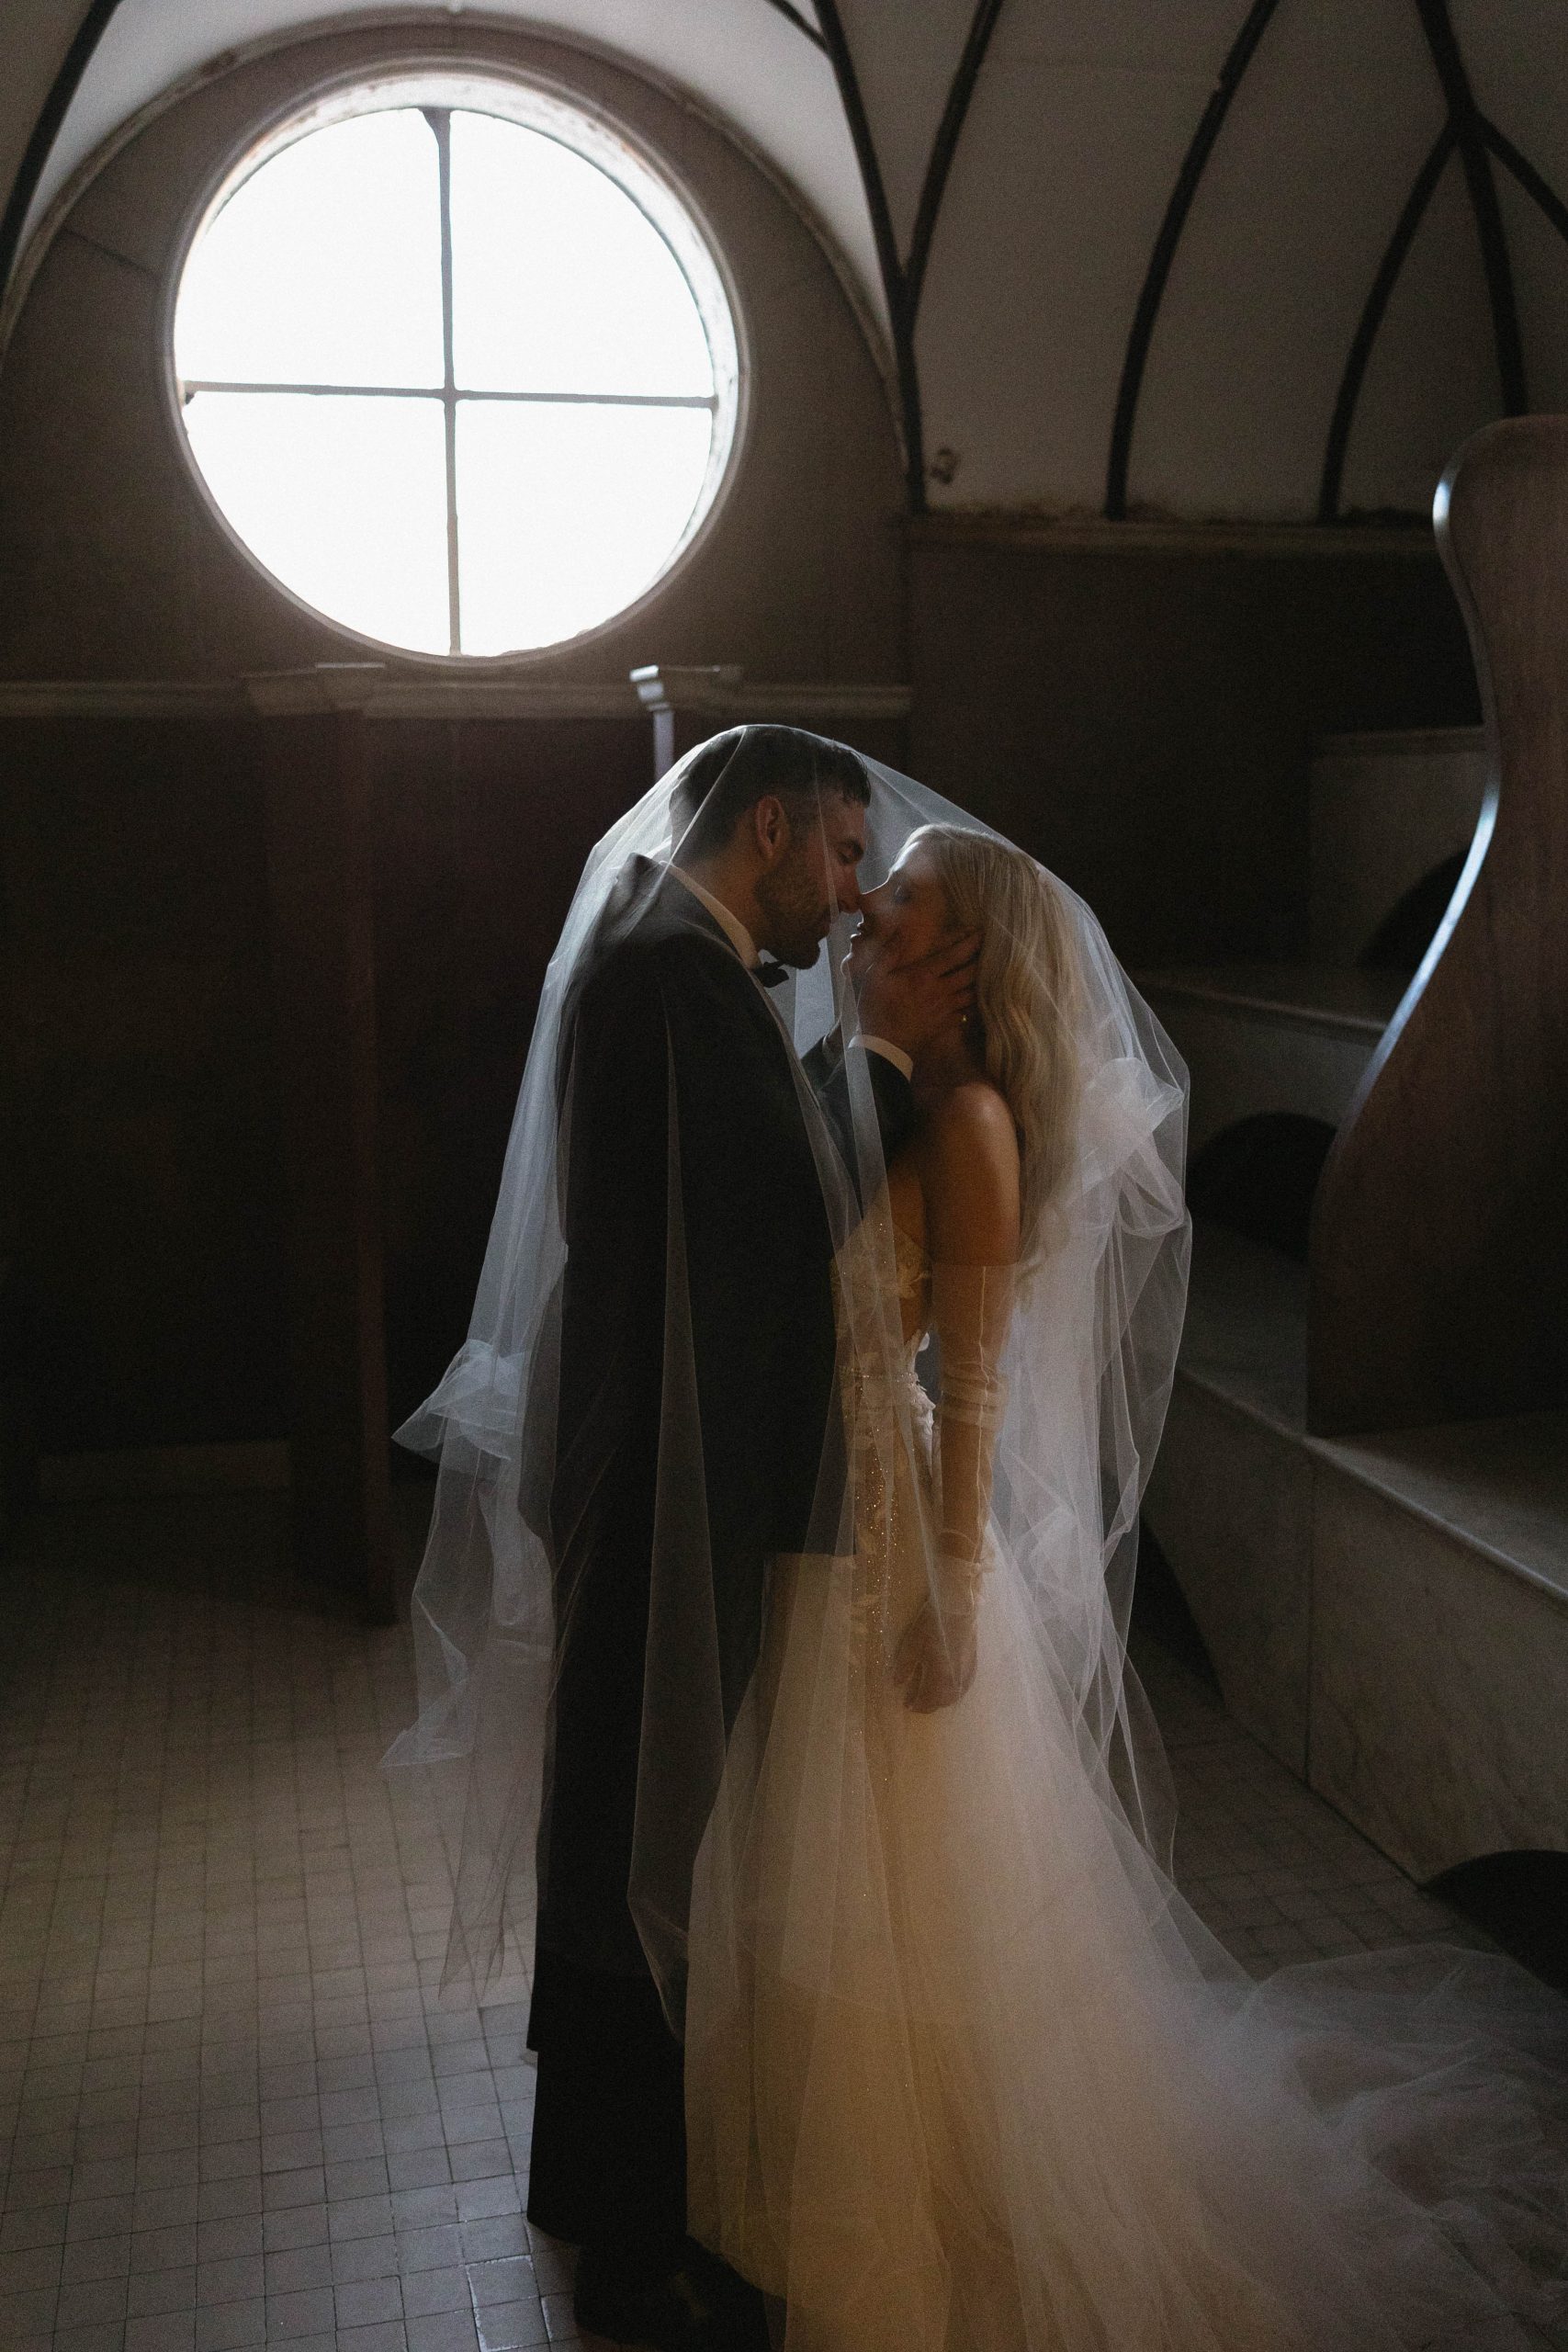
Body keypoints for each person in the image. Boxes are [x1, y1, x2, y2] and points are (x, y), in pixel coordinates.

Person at [684, 818, 1568, 2350]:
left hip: (895, 1551)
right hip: (817, 1529)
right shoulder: (882, 1084)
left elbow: (972, 1385)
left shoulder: (971, 1124)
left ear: (968, 954)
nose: (865, 908)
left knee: (892, 1902)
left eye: (902, 895)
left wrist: (955, 1596)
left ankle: (918, 2221)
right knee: (814, 1888)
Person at [389, 727, 974, 2350]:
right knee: (649, 1825)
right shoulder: (668, 972)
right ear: (768, 826)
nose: (850, 897)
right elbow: (782, 1210)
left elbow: (738, 1183)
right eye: (842, 853)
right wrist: (886, 1049)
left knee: (624, 1813)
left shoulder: (681, 961)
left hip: (658, 1449)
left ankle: (597, 2186)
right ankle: (635, 2251)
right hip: (664, 1467)